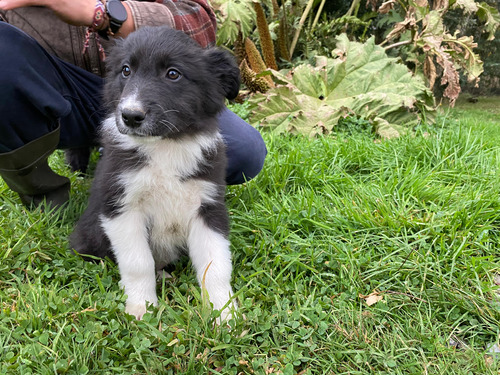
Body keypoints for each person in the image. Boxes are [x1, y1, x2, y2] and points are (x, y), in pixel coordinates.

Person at [0, 0, 267, 208]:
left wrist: (103, 14)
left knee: (243, 152)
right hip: (57, 86)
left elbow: (199, 22)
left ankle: (130, 162)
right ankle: (44, 195)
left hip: (153, 85)